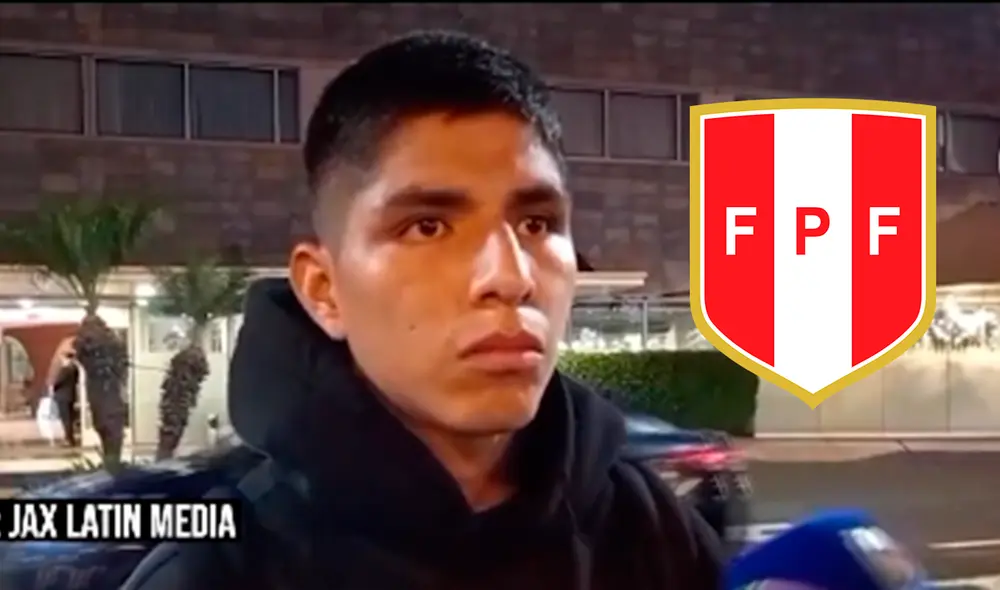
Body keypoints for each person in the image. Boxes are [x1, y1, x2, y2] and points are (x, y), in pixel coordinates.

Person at [122, 30, 723, 590]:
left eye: (536, 223)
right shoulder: (217, 571)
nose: (509, 276)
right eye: (428, 226)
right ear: (324, 289)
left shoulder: (649, 531)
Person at [48, 337, 79, 447]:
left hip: (63, 397)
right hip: (71, 396)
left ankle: (68, 439)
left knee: (66, 418)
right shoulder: (74, 368)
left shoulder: (66, 369)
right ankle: (70, 438)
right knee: (69, 418)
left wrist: (53, 386)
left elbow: (57, 382)